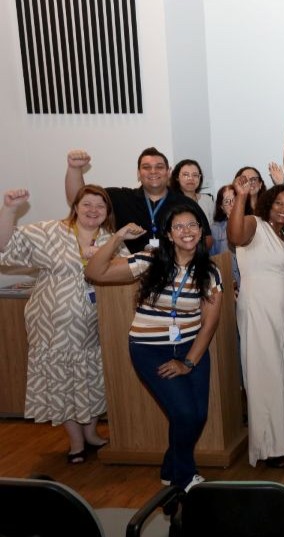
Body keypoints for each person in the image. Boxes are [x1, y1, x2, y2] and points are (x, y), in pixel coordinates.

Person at [84, 205, 222, 492]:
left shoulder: (209, 271)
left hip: (189, 348)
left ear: (200, 230)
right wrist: (117, 237)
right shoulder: (151, 260)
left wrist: (189, 363)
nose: (187, 231)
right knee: (184, 414)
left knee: (197, 416)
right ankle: (185, 479)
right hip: (150, 349)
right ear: (169, 235)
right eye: (179, 226)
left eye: (192, 225)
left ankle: (171, 467)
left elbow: (209, 324)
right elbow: (95, 271)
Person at [0, 186, 118, 464]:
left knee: (89, 379)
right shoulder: (49, 231)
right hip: (51, 327)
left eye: (100, 206)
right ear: (75, 206)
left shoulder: (111, 239)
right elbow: (5, 245)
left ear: (107, 213)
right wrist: (9, 210)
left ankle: (91, 434)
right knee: (61, 380)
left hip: (92, 331)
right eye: (87, 204)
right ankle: (76, 441)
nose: (93, 210)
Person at [228, 179, 284, 469]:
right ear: (268, 204)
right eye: (279, 203)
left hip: (280, 314)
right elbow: (234, 235)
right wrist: (241, 196)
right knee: (263, 376)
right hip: (258, 308)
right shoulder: (254, 224)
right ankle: (268, 448)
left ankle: (283, 438)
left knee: (281, 374)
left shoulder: (282, 235)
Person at [65, 148, 211, 253]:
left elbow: (208, 239)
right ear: (138, 173)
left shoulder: (186, 204)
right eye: (146, 167)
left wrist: (185, 252)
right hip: (128, 277)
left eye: (159, 167)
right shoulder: (121, 198)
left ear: (168, 172)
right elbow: (78, 200)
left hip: (174, 274)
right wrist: (74, 168)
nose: (153, 171)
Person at [170, 159, 215, 225]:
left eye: (195, 175)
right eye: (186, 175)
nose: (190, 178)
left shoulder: (207, 200)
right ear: (177, 177)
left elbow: (213, 228)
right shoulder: (170, 201)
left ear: (200, 178)